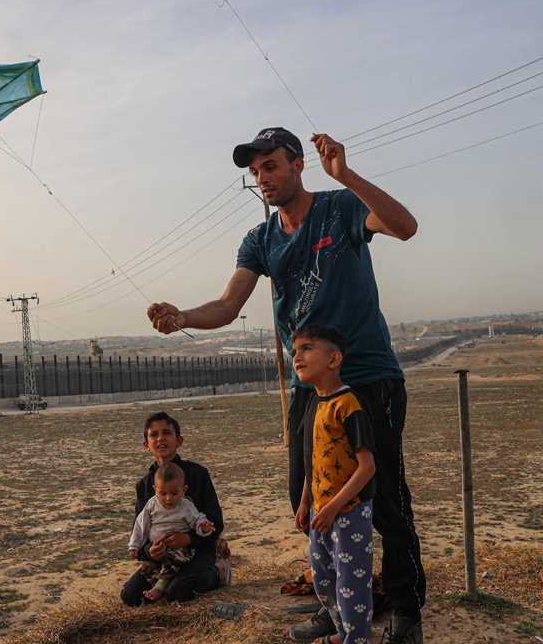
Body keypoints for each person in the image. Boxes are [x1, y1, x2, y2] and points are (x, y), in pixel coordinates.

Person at [147, 128, 425, 643]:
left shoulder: (341, 207)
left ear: (298, 165)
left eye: (271, 166)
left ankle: (407, 614)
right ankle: (332, 604)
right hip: (308, 390)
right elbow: (229, 306)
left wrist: (346, 175)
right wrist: (182, 315)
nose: (263, 178)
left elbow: (405, 227)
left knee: (383, 497)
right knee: (310, 496)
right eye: (255, 172)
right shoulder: (262, 239)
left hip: (367, 379)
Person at [289, 324, 376, 644]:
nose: (297, 356)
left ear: (333, 358)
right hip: (319, 513)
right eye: (294, 350)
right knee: (324, 581)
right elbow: (313, 462)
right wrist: (304, 504)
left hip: (350, 512)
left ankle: (357, 639)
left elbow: (367, 467)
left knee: (351, 584)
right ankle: (342, 632)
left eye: (307, 348)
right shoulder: (312, 403)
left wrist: (332, 508)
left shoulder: (348, 404)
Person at [120, 412, 228, 605]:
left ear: (179, 441)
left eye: (167, 433)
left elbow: (216, 523)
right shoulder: (144, 486)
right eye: (154, 435)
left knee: (180, 590)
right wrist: (148, 551)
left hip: (197, 551)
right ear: (146, 445)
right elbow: (139, 528)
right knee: (130, 596)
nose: (160, 438)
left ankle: (218, 571)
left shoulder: (198, 475)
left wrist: (187, 538)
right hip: (161, 557)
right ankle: (163, 586)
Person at [128, 462, 218, 602]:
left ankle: (161, 588)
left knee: (177, 580)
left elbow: (198, 519)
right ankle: (159, 589)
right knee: (132, 593)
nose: (169, 498)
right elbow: (140, 525)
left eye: (174, 493)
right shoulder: (150, 502)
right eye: (163, 494)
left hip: (183, 550)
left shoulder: (186, 504)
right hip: (158, 551)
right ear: (155, 489)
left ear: (184, 490)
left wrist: (200, 530)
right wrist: (140, 548)